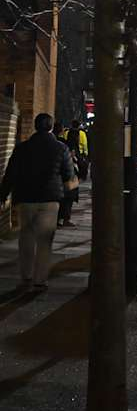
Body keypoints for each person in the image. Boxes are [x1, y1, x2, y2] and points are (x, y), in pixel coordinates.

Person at [0, 113, 75, 291]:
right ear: (51, 127)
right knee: (45, 241)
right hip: (50, 200)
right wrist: (68, 194)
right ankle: (40, 280)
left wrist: (3, 195)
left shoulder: (22, 148)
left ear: (35, 126)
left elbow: (11, 174)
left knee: (26, 237)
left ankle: (26, 277)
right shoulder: (61, 148)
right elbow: (68, 176)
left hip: (26, 198)